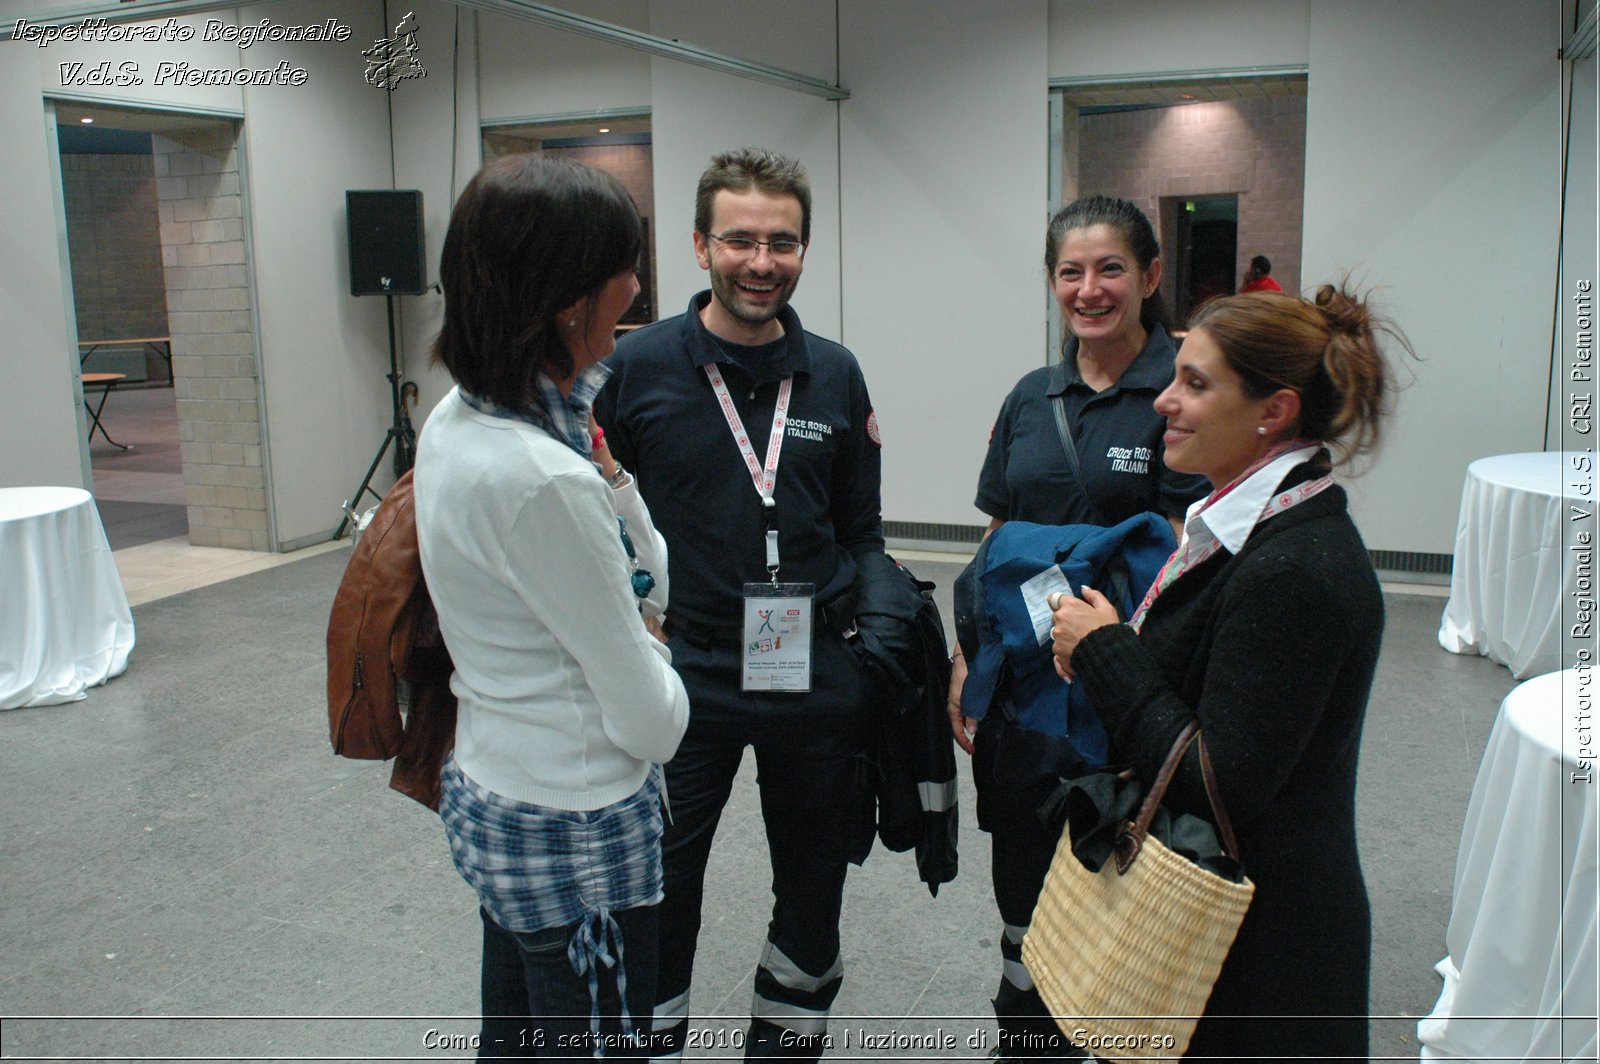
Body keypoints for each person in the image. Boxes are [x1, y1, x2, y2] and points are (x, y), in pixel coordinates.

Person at [1049, 284, 1401, 1061]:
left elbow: (1219, 781)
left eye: (1196, 385)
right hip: (1224, 936)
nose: (1164, 402)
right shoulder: (1243, 527)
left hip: (1262, 965)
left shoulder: (1293, 570)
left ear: (1273, 412)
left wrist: (1107, 652)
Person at [594, 147, 883, 1062]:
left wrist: (872, 646)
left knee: (813, 881)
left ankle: (787, 1045)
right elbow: (597, 517)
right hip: (687, 671)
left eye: (784, 243)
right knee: (660, 885)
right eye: (742, 240)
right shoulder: (634, 369)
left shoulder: (834, 373)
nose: (763, 261)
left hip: (808, 667)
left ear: (804, 250)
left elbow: (861, 530)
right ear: (699, 245)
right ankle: (653, 1043)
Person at [413, 153, 690, 1061]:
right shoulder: (540, 477)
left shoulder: (464, 417)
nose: (638, 285)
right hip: (580, 833)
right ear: (570, 296)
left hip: (501, 792)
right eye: (623, 264)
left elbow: (642, 562)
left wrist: (612, 490)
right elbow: (652, 725)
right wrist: (659, 649)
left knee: (516, 1036)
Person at [948, 194, 1208, 1060]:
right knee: (1021, 880)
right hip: (1025, 694)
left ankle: (1105, 1035)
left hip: (1124, 690)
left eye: (1110, 269)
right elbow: (995, 537)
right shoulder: (1032, 396)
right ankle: (1025, 1038)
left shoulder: (1181, 391)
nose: (1089, 289)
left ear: (1151, 277)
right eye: (1070, 271)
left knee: (1111, 883)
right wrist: (968, 660)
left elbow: (1185, 552)